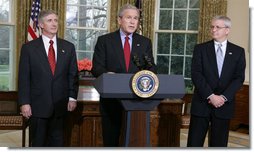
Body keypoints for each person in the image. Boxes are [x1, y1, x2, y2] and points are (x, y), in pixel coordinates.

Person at [91, 4, 156, 147]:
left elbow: (150, 67)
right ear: (119, 20)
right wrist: (107, 75)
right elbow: (96, 68)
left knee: (133, 141)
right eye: (128, 18)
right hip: (111, 101)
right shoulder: (105, 41)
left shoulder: (144, 42)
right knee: (111, 141)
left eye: (136, 18)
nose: (133, 22)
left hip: (137, 101)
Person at [18, 10, 79, 147]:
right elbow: (24, 77)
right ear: (41, 24)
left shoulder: (68, 47)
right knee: (38, 144)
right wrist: (24, 102)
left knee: (58, 144)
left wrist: (72, 97)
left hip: (61, 106)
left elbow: (73, 75)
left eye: (56, 20)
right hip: (37, 106)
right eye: (49, 20)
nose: (54, 24)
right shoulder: (29, 48)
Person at [187, 15, 246, 147]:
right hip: (202, 103)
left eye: (217, 27)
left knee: (218, 145)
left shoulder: (238, 52)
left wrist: (223, 97)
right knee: (194, 143)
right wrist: (211, 96)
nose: (214, 30)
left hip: (223, 106)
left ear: (227, 30)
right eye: (212, 27)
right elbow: (196, 74)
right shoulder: (200, 49)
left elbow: (239, 78)